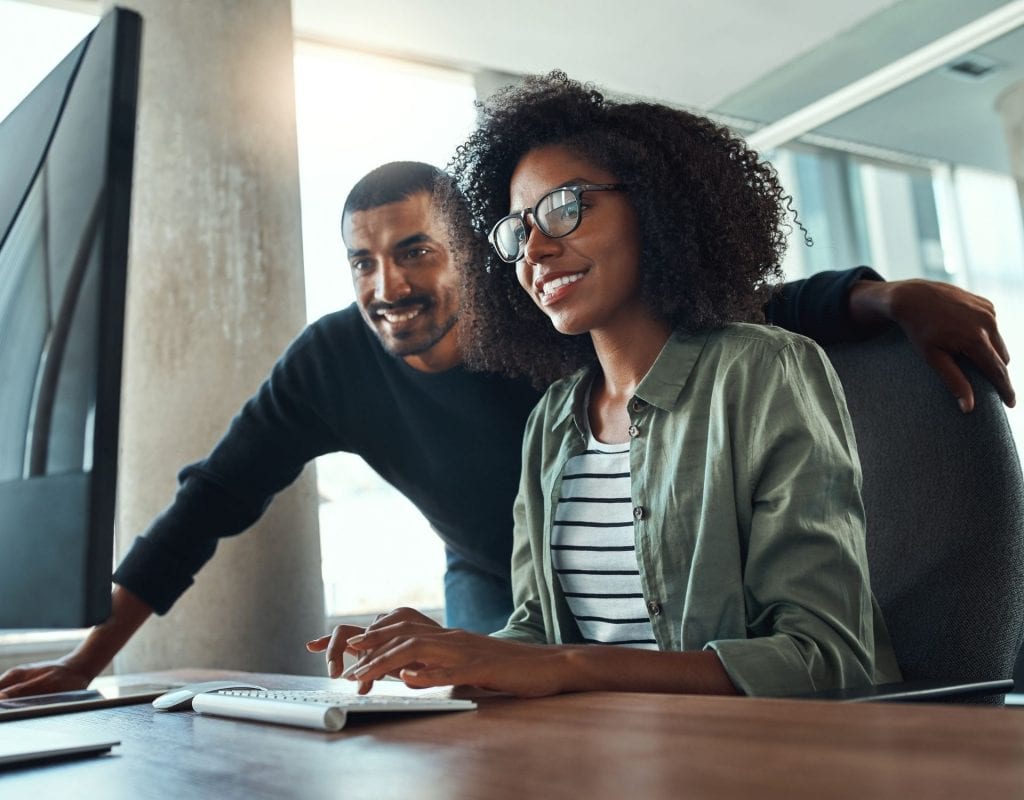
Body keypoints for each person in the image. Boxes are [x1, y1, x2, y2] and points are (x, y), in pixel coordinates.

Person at [0, 147, 1009, 697]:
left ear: (470, 258)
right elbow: (209, 498)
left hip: (661, 569)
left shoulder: (544, 303)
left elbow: (731, 310)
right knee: (484, 713)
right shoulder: (331, 361)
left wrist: (880, 298)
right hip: (501, 573)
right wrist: (95, 657)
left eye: (416, 252)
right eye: (361, 260)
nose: (386, 285)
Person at [317, 72, 904, 698]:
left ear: (654, 205)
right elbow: (538, 638)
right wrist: (443, 651)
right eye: (517, 232)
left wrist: (574, 666)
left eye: (566, 207)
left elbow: (825, 660)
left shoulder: (762, 371)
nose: (535, 250)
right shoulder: (551, 420)